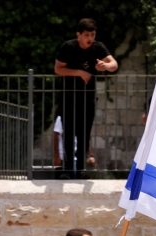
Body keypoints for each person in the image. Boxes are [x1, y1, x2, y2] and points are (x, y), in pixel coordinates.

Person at [54, 18, 115, 179]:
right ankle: (67, 170)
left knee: (84, 134)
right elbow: (58, 69)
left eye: (92, 35)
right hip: (68, 97)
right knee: (68, 133)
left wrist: (106, 66)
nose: (90, 38)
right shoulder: (68, 47)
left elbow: (114, 64)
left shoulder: (98, 47)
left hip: (88, 98)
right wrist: (80, 72)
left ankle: (80, 169)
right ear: (78, 34)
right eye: (86, 35)